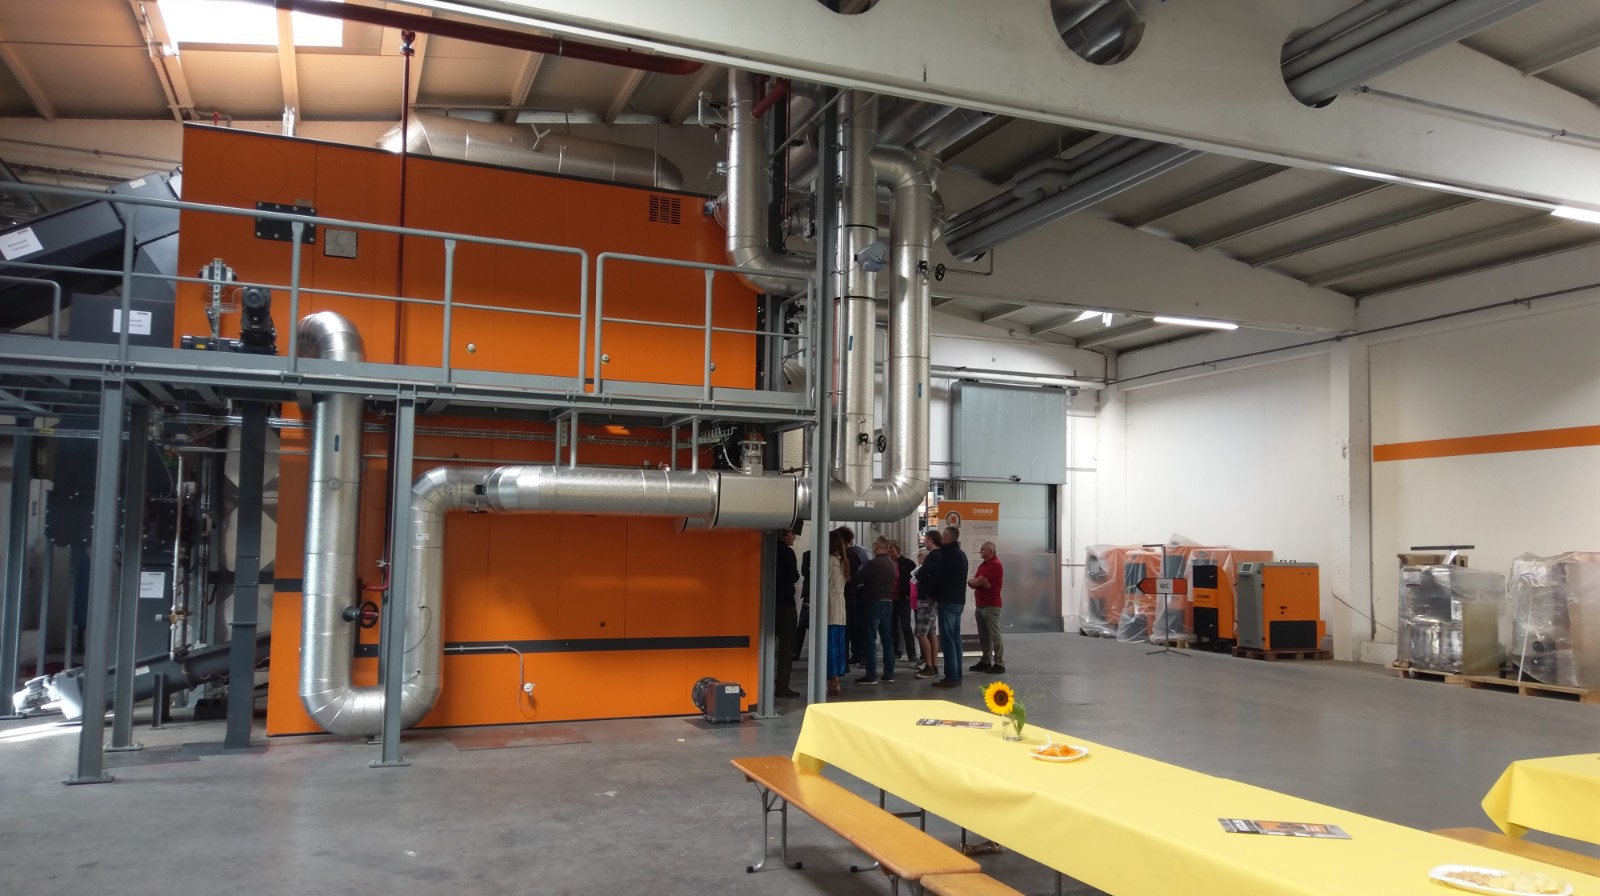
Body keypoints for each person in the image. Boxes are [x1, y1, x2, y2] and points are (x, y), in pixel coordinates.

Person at [855, 537, 899, 684]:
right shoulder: (892, 564)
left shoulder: (873, 564)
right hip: (888, 602)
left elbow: (858, 578)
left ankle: (871, 674)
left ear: (878, 546)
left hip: (873, 602)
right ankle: (889, 673)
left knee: (870, 639)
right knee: (887, 639)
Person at [930, 526, 969, 688]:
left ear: (947, 537)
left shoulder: (948, 555)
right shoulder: (961, 554)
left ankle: (951, 677)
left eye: (943, 536)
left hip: (948, 601)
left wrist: (932, 593)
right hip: (959, 601)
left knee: (948, 640)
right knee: (955, 639)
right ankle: (957, 675)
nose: (942, 539)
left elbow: (941, 578)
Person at [967, 540, 1005, 674]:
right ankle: (985, 661)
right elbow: (972, 582)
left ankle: (999, 663)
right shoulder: (983, 565)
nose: (980, 552)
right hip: (981, 604)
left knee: (994, 635)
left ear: (991, 551)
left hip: (991, 605)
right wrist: (978, 582)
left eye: (983, 549)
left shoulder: (995, 565)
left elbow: (976, 582)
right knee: (984, 636)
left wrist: (978, 582)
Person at [773, 529, 801, 698]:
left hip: (767, 604)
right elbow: (794, 576)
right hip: (786, 605)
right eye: (792, 533)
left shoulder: (766, 549)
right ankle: (782, 685)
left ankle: (758, 682)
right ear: (784, 535)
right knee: (786, 645)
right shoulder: (787, 553)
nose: (794, 537)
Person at [839, 526, 871, 667]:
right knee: (853, 627)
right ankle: (857, 654)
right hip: (855, 594)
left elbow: (854, 575)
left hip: (853, 595)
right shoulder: (857, 552)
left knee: (857, 626)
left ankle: (860, 655)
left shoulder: (851, 554)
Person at [825, 529, 850, 697]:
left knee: (829, 644)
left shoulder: (829, 561)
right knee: (838, 643)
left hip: (829, 605)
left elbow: (822, 583)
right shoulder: (843, 561)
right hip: (840, 605)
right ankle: (836, 679)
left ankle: (832, 678)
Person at [911, 543, 940, 678]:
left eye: (921, 556)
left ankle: (929, 666)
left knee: (920, 633)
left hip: (926, 601)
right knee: (931, 633)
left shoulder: (929, 567)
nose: (919, 558)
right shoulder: (933, 567)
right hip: (929, 600)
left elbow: (919, 576)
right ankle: (934, 665)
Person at [888, 540, 916, 662]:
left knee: (906, 626)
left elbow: (914, 578)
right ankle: (895, 651)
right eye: (888, 551)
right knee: (892, 626)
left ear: (897, 551)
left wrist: (909, 594)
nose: (889, 553)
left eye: (892, 550)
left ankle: (912, 653)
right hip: (890, 599)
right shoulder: (886, 564)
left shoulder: (907, 563)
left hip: (904, 599)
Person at [794, 548, 812, 661]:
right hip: (809, 594)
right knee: (802, 623)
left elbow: (805, 573)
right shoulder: (808, 555)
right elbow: (805, 572)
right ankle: (796, 651)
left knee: (802, 623)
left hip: (808, 594)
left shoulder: (807, 554)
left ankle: (796, 652)